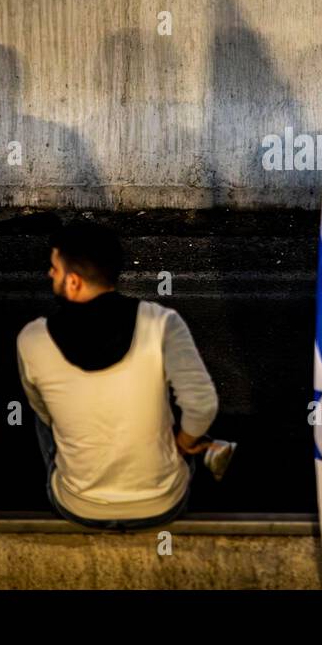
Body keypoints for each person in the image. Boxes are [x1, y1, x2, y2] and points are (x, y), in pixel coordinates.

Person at [18, 221, 224, 530]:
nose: (50, 274)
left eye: (54, 268)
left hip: (78, 505)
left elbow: (46, 414)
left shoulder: (32, 339)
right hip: (162, 503)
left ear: (73, 282)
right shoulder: (161, 323)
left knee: (40, 412)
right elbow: (202, 405)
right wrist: (181, 444)